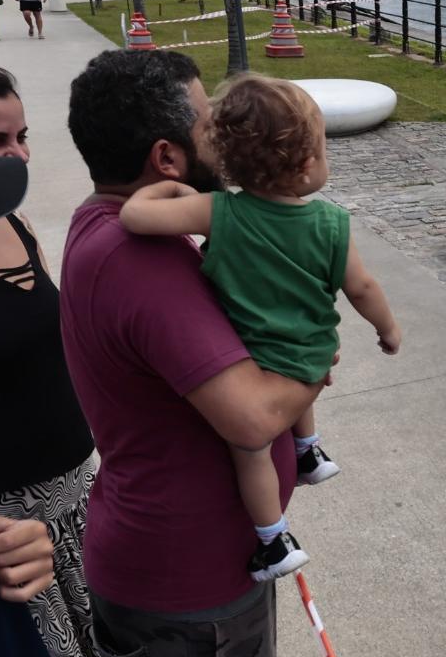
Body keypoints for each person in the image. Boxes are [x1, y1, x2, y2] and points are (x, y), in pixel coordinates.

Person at [61, 49, 345, 657]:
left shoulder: (116, 225)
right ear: (167, 155)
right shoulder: (139, 262)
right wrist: (317, 361)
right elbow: (253, 415)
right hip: (187, 587)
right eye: (210, 121)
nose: (228, 133)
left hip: (184, 564)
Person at [120, 73, 401, 581]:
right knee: (295, 368)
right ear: (309, 162)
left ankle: (274, 540)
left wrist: (162, 189)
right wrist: (388, 331)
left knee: (249, 454)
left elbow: (134, 218)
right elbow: (362, 289)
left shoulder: (218, 213)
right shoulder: (332, 224)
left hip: (255, 360)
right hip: (313, 353)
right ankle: (306, 453)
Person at [0, 153, 122, 657]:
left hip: (68, 469)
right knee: (37, 639)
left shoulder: (12, 219)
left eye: (20, 135)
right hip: (3, 497)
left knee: (85, 610)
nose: (12, 153)